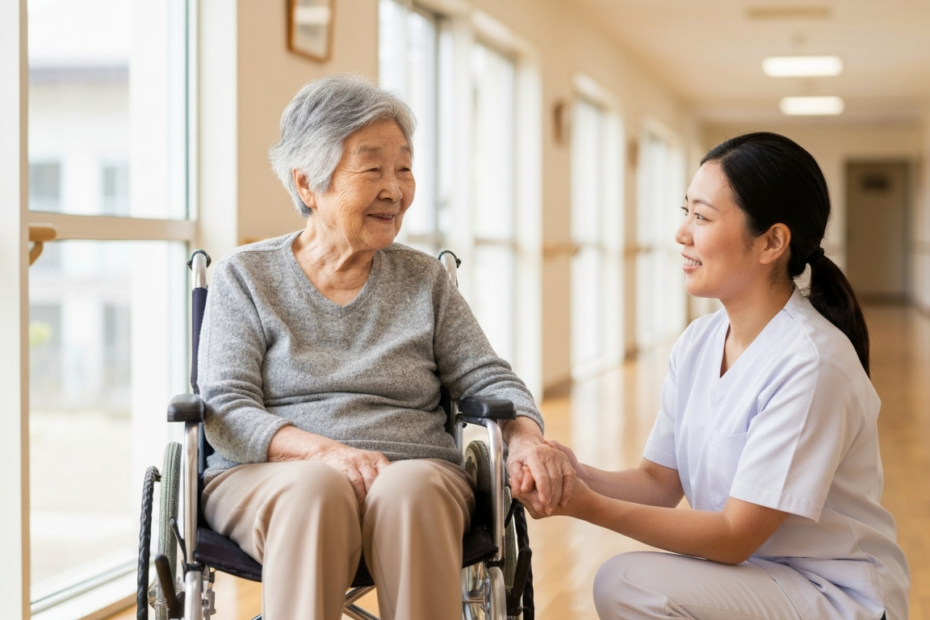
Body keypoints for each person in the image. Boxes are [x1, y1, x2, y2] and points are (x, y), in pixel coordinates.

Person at [196, 74, 572, 620]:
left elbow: (489, 378)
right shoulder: (245, 278)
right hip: (271, 478)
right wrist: (324, 453)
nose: (394, 189)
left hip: (414, 469)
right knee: (316, 492)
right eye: (372, 169)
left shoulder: (424, 281)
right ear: (307, 184)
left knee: (410, 489)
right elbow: (226, 409)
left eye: (404, 168)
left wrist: (526, 439)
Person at [518, 133, 909, 620]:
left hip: (831, 593)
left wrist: (583, 505)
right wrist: (572, 474)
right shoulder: (700, 341)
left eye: (701, 217)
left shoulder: (813, 363)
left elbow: (733, 536)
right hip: (761, 577)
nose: (682, 233)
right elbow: (659, 482)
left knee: (628, 583)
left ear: (772, 242)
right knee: (628, 583)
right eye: (686, 212)